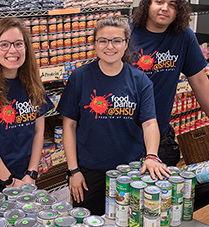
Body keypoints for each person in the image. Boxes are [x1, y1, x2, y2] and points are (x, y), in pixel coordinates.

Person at [56, 15, 171, 215]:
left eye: (117, 40)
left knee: (126, 219)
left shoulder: (140, 81)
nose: (110, 47)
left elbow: (150, 123)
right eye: (103, 41)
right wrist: (73, 170)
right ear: (94, 44)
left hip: (129, 171)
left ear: (126, 44)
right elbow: (69, 126)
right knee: (87, 219)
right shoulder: (79, 78)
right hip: (88, 171)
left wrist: (152, 156)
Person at [130, 0, 209, 166]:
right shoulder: (127, 35)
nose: (165, 8)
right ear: (148, 4)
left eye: (172, 5)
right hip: (124, 134)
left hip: (160, 134)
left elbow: (199, 81)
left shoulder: (183, 36)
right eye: (159, 2)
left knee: (159, 193)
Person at [0, 17, 54, 198]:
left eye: (18, 44)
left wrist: (31, 173)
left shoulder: (33, 83)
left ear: (26, 48)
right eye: (4, 44)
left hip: (25, 177)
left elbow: (38, 132)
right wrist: (10, 181)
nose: (12, 50)